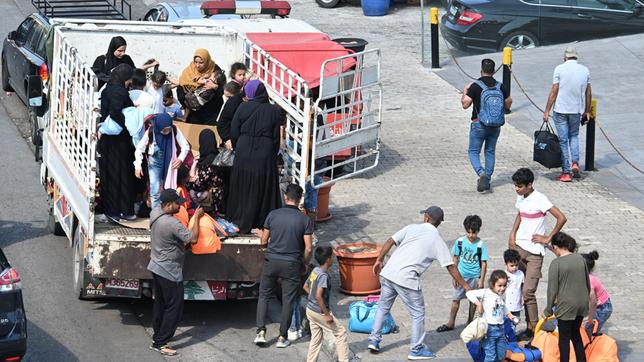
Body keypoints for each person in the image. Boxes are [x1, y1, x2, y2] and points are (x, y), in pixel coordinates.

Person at [367, 206, 473, 360]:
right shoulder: (437, 240)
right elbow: (451, 266)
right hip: (407, 279)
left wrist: (379, 259)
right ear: (439, 223)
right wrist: (466, 286)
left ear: (426, 218)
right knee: (418, 314)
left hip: (389, 273)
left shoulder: (411, 228)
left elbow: (390, 241)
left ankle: (374, 340)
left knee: (383, 306)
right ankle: (416, 349)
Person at [508, 167, 567, 340]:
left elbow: (561, 217)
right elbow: (520, 214)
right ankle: (526, 326)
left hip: (535, 252)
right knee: (518, 287)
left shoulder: (540, 199)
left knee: (528, 291)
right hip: (519, 247)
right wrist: (512, 235)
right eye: (515, 185)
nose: (516, 189)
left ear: (529, 185)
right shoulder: (521, 196)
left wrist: (548, 238)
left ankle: (534, 328)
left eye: (519, 186)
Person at [254, 184, 313, 349]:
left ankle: (260, 332)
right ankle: (282, 337)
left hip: (271, 261)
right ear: (300, 199)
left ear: (285, 197)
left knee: (264, 295)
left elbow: (264, 241)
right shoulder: (305, 220)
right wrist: (305, 262)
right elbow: (308, 247)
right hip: (292, 264)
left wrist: (266, 242)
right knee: (288, 300)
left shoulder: (273, 215)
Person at [148, 189, 204, 356]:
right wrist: (197, 219)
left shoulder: (155, 213)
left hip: (156, 266)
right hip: (169, 271)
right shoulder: (172, 224)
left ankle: (157, 336)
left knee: (160, 304)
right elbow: (192, 239)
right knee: (174, 307)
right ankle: (161, 342)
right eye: (177, 203)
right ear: (167, 205)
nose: (180, 205)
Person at [227, 80, 282, 234]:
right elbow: (276, 137)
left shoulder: (243, 107)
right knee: (262, 185)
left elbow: (234, 130)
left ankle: (241, 219)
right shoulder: (273, 111)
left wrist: (239, 146)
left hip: (244, 150)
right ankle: (262, 221)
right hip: (264, 152)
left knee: (243, 185)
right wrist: (271, 154)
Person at [461, 58, 512, 192]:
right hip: (495, 126)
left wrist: (465, 91)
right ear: (494, 71)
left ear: (481, 70)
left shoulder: (476, 86)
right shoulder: (500, 86)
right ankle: (487, 179)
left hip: (479, 124)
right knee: (490, 151)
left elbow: (465, 105)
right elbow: (508, 103)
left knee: (473, 151)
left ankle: (481, 173)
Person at [543, 46, 592, 182]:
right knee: (574, 136)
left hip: (560, 110)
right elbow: (588, 92)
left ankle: (566, 172)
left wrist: (547, 110)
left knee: (563, 140)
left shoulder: (559, 69)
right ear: (576, 56)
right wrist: (587, 110)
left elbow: (554, 90)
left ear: (565, 57)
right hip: (576, 110)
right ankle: (575, 163)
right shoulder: (585, 70)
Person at [98, 63, 137, 221]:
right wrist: (127, 125)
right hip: (120, 142)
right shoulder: (120, 92)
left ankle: (112, 211)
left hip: (108, 141)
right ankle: (125, 210)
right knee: (124, 175)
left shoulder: (107, 89)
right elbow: (116, 111)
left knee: (110, 175)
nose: (129, 82)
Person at [437, 215, 488, 333]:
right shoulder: (460, 242)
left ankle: (469, 322)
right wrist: (454, 276)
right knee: (455, 299)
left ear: (478, 231)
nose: (471, 235)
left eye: (473, 233)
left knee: (473, 302)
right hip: (461, 276)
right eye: (468, 232)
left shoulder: (480, 245)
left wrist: (481, 280)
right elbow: (455, 259)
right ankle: (451, 322)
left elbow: (484, 263)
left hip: (475, 276)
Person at [544, 232, 590, 362]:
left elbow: (552, 290)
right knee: (576, 335)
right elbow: (587, 283)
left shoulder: (556, 263)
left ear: (556, 247)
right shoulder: (580, 258)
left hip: (566, 306)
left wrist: (548, 310)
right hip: (581, 304)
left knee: (564, 340)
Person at [134, 113, 190, 209]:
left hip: (170, 164)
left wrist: (180, 159)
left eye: (169, 129)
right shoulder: (151, 132)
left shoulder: (174, 130)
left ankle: (168, 214)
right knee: (155, 191)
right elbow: (139, 148)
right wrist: (138, 166)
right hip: (154, 164)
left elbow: (186, 146)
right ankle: (156, 216)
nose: (167, 132)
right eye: (164, 130)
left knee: (168, 191)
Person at [303, 246, 349, 362]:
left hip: (310, 310)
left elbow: (305, 286)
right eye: (332, 257)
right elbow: (319, 296)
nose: (333, 259)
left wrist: (312, 298)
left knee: (316, 338)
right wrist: (326, 314)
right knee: (340, 332)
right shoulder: (323, 276)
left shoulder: (315, 271)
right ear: (328, 260)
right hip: (319, 312)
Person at [466, 270, 520, 362]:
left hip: (501, 329)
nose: (502, 288)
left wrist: (510, 315)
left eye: (504, 285)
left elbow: (503, 306)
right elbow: (469, 293)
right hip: (489, 330)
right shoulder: (486, 292)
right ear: (492, 284)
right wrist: (478, 304)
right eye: (499, 286)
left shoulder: (502, 295)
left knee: (501, 355)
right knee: (490, 356)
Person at [176, 49, 224, 125]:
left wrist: (215, 86)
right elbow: (181, 86)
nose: (197, 65)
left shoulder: (215, 70)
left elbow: (221, 90)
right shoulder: (190, 70)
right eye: (196, 62)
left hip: (210, 112)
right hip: (193, 112)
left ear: (207, 61)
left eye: (201, 62)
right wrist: (186, 101)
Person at [92, 36, 157, 89]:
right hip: (106, 93)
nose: (122, 53)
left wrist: (149, 65)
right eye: (120, 51)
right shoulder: (101, 60)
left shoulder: (126, 59)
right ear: (112, 49)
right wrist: (112, 78)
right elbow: (96, 74)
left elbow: (134, 71)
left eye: (124, 51)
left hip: (123, 93)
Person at [188, 129, 225, 215]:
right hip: (220, 195)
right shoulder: (218, 157)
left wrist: (188, 181)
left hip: (212, 198)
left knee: (190, 191)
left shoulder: (208, 163)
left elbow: (198, 185)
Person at [581, 250, 612, 335]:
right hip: (599, 306)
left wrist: (590, 319)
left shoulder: (589, 280)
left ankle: (592, 346)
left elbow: (593, 302)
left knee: (589, 330)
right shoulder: (584, 276)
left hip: (603, 308)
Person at [217, 81, 244, 150]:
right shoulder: (235, 102)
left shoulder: (233, 103)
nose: (226, 99)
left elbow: (222, 122)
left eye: (228, 97)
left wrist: (227, 138)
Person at [503, 248, 524, 331]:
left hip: (516, 304)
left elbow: (521, 286)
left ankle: (512, 336)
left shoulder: (521, 274)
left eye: (516, 265)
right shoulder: (503, 274)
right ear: (506, 264)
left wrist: (522, 297)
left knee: (515, 322)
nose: (514, 268)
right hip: (506, 304)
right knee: (505, 322)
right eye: (511, 266)